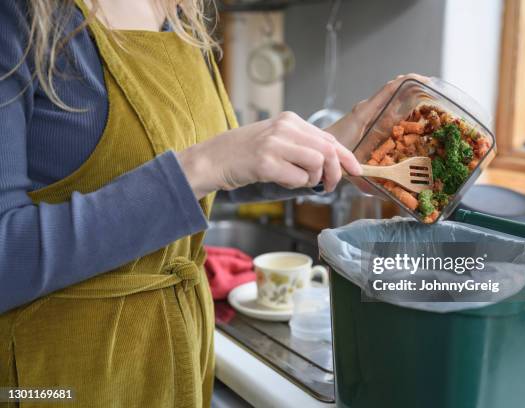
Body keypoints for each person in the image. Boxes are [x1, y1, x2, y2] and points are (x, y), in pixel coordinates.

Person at [0, 1, 412, 406]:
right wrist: (202, 164)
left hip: (177, 362)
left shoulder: (181, 16)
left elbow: (216, 178)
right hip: (61, 373)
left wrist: (329, 150)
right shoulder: (19, 16)